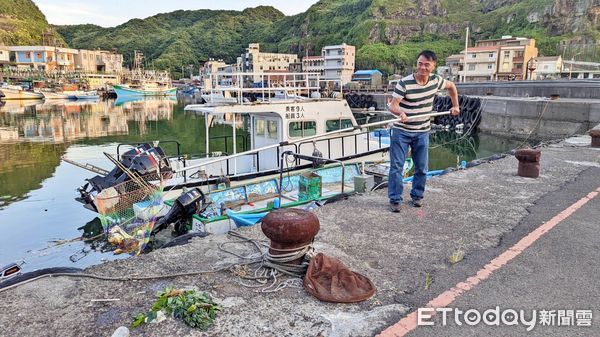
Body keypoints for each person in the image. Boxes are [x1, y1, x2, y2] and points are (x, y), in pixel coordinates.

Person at [387, 50, 460, 213]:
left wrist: (455, 105)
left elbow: (452, 87)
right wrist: (400, 113)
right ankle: (395, 199)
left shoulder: (436, 81)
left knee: (422, 167)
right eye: (420, 63)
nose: (423, 67)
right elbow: (393, 105)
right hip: (402, 131)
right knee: (396, 167)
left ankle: (417, 196)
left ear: (433, 66)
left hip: (422, 131)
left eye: (427, 64)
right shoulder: (404, 83)